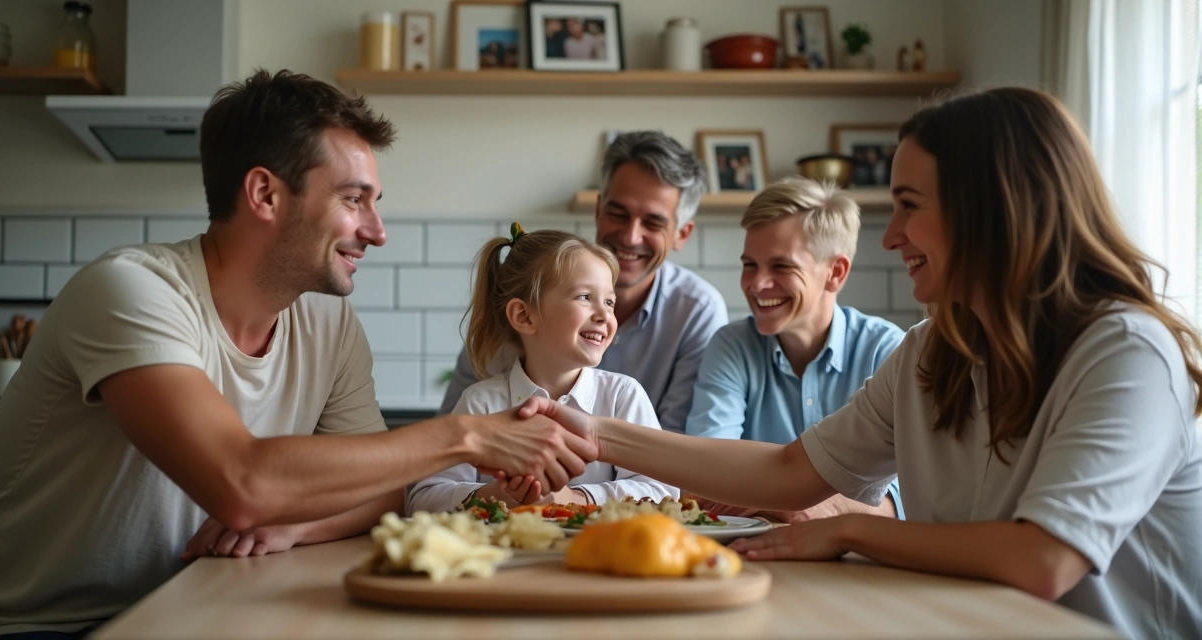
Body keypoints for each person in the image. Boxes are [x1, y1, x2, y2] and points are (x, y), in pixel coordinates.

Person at [505, 87, 1202, 639]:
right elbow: (791, 472)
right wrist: (597, 434)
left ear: (989, 209)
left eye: (908, 207)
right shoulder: (933, 350)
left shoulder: (1127, 352)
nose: (892, 236)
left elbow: (1041, 559)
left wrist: (851, 528)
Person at [0, 69, 593, 639]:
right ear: (265, 194)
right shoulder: (131, 290)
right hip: (51, 625)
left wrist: (297, 523)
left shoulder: (328, 322)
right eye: (354, 200)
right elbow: (240, 481)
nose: (378, 231)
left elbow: (380, 492)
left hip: (198, 604)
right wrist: (467, 436)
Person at [439, 131, 728, 434]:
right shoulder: (525, 293)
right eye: (618, 213)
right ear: (599, 210)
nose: (631, 237)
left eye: (653, 223)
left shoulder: (697, 311)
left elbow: (675, 450)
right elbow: (449, 438)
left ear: (682, 233)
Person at [410, 228, 677, 513]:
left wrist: (577, 499)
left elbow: (663, 490)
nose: (605, 315)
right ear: (524, 316)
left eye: (609, 301)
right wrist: (496, 494)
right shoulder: (481, 403)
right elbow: (422, 499)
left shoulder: (623, 397)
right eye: (584, 297)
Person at [686, 177, 905, 521]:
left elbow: (905, 499)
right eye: (749, 265)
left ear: (835, 272)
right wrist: (805, 504)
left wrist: (782, 501)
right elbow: (707, 475)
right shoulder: (731, 346)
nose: (757, 284)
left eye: (781, 266)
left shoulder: (886, 350)